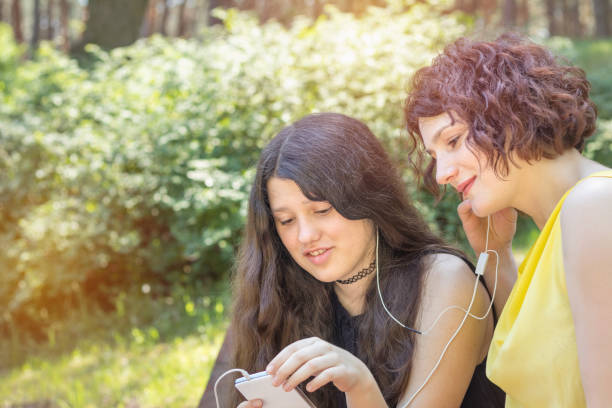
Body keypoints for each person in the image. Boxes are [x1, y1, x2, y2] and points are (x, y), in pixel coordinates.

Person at [215, 112, 504, 408]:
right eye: (286, 220)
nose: (304, 236)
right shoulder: (282, 299)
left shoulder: (443, 281)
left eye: (322, 210)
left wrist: (359, 384)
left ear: (367, 198)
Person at [404, 34, 612, 408]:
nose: (441, 174)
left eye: (452, 141)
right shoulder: (562, 224)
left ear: (510, 111)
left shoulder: (594, 206)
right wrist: (496, 253)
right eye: (434, 155)